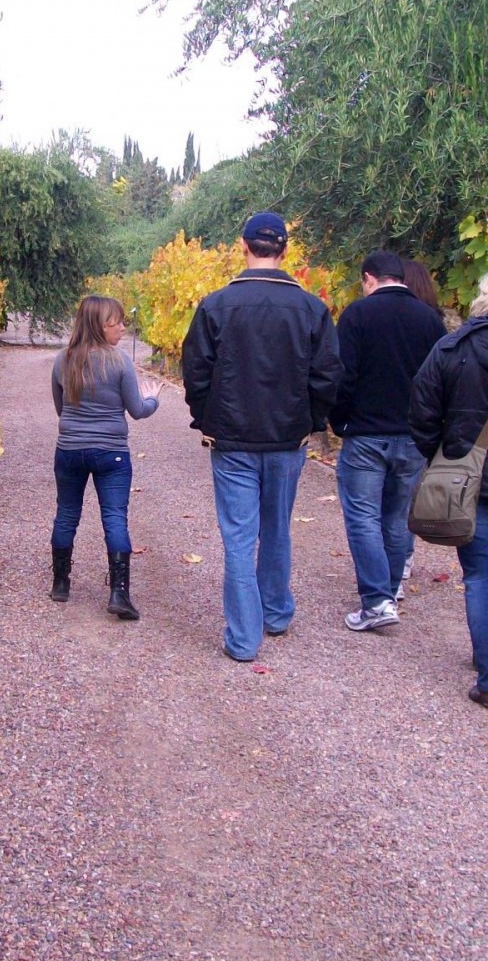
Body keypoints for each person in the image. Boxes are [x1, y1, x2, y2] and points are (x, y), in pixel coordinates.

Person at [181, 212, 342, 661]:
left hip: (232, 440)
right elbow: (328, 375)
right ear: (285, 251)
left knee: (238, 537)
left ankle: (244, 639)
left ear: (243, 246)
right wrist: (309, 420)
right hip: (287, 439)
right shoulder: (311, 309)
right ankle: (274, 612)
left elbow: (195, 372)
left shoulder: (216, 306)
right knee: (276, 529)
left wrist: (207, 417)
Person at [330, 251, 446, 631]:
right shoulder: (430, 320)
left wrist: (338, 420)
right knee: (397, 519)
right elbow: (439, 381)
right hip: (412, 435)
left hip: (365, 434)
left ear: (369, 278)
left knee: (363, 517)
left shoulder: (357, 316)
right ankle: (391, 592)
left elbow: (343, 376)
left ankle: (377, 601)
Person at [49, 295, 163, 620]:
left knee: (67, 514)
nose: (123, 328)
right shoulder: (119, 362)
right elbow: (138, 411)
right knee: (114, 517)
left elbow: (62, 410)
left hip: (69, 449)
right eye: (117, 322)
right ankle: (119, 592)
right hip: (111, 452)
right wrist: (153, 399)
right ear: (100, 325)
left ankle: (60, 582)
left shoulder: (63, 360)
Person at [409, 280, 488, 706]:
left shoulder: (453, 348)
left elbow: (421, 410)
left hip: (468, 480)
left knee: (479, 576)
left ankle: (487, 671)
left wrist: (443, 457)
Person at [398, 258, 444, 590]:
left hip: (377, 424)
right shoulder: (434, 323)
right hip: (418, 425)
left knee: (378, 506)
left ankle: (388, 574)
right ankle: (403, 562)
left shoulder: (371, 315)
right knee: (406, 498)